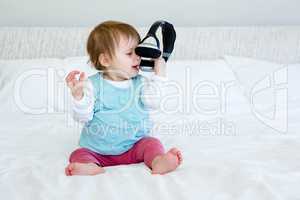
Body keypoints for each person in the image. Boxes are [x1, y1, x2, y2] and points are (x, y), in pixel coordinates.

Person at [65, 21, 182, 176]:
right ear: (106, 60)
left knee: (152, 143)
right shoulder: (91, 85)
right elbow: (83, 117)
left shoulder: (142, 82)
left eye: (138, 52)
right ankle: (90, 165)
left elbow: (153, 103)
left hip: (134, 146)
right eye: (129, 54)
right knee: (78, 154)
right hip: (98, 150)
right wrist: (79, 97)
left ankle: (158, 161)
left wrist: (159, 76)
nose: (137, 58)